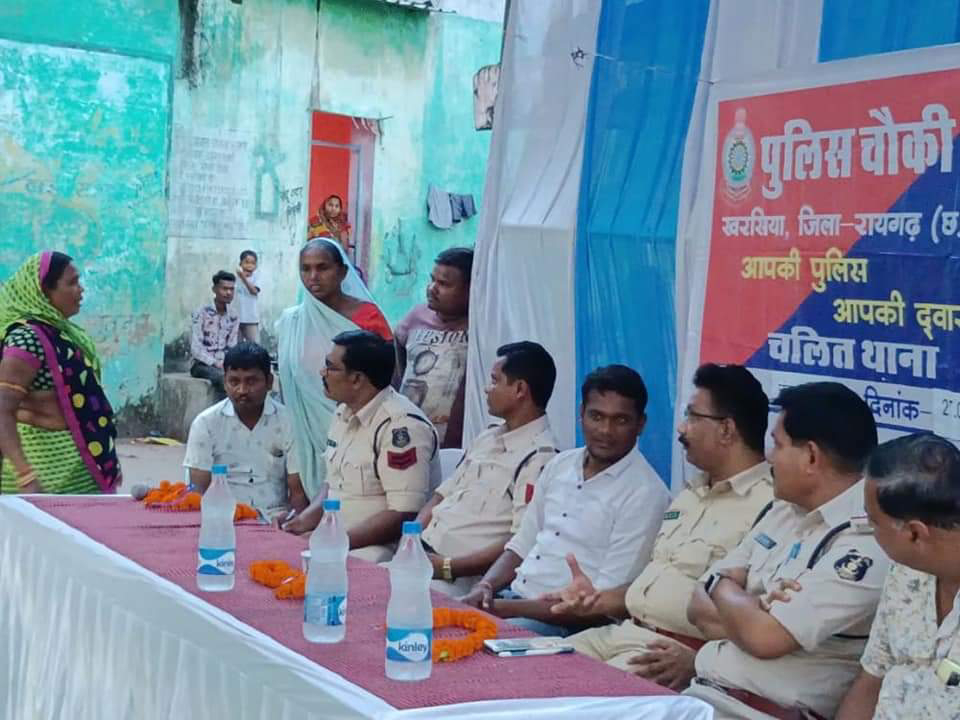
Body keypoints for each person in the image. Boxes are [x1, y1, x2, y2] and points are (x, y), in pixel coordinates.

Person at [552, 363, 773, 689]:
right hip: (621, 633)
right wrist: (593, 600)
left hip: (670, 653)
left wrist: (701, 660)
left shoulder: (770, 507)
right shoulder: (692, 492)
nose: (682, 429)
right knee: (523, 666)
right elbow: (658, 587)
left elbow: (767, 621)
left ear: (726, 429)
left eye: (692, 417)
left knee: (568, 696)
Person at [685, 381, 888, 720]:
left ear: (811, 457)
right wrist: (749, 611)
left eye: (777, 445)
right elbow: (696, 608)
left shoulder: (867, 540)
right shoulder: (783, 510)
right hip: (703, 696)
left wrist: (723, 586)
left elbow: (765, 638)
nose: (769, 457)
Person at [461, 365, 671, 636]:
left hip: (568, 626)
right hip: (512, 599)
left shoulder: (646, 494)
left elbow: (601, 606)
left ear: (640, 424)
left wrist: (502, 609)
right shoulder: (560, 465)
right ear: (581, 414)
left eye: (620, 420)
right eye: (596, 416)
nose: (605, 430)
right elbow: (522, 544)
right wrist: (485, 587)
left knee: (468, 648)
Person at [279, 330, 438, 562]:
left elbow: (404, 513)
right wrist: (300, 523)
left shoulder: (401, 426)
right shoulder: (344, 412)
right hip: (335, 538)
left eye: (331, 367)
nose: (322, 373)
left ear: (356, 379)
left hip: (380, 548)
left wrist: (332, 541)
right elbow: (333, 486)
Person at [417, 341, 559, 596]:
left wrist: (448, 567)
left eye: (494, 381)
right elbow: (441, 495)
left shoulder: (541, 459)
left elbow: (520, 541)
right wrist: (411, 538)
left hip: (462, 577)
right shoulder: (487, 437)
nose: (487, 389)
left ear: (520, 389)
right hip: (423, 556)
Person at [835, 433, 960, 720]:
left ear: (915, 533)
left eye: (874, 522)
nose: (869, 530)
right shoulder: (906, 571)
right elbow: (872, 677)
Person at [275, 238, 391, 499]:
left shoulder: (367, 317)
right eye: (305, 268)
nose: (313, 277)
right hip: (304, 428)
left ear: (342, 272)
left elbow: (385, 377)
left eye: (322, 268)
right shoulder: (292, 321)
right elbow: (289, 382)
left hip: (357, 424)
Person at [0, 251, 121, 494]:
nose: (81, 290)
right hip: (46, 470)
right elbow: (3, 410)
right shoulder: (27, 340)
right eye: (72, 283)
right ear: (45, 291)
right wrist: (26, 475)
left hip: (78, 468)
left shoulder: (62, 332)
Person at [183, 342, 307, 516]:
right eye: (234, 381)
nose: (242, 390)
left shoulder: (288, 422)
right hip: (223, 518)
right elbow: (198, 492)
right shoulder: (205, 424)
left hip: (275, 518)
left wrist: (294, 523)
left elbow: (298, 493)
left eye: (251, 381)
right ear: (224, 382)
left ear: (269, 382)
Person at [395, 247, 472, 449]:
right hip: (407, 435)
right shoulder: (415, 317)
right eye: (432, 280)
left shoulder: (482, 328)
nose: (432, 288)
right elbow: (399, 366)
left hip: (456, 442)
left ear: (471, 289)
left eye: (444, 284)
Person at [190, 270, 239, 396]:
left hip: (224, 364)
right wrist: (215, 363)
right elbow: (196, 349)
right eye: (224, 289)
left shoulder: (233, 316)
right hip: (202, 364)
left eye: (231, 289)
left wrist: (227, 363)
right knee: (224, 379)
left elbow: (232, 346)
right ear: (214, 289)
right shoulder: (201, 313)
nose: (229, 293)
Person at [233, 250, 262, 343]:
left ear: (256, 266)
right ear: (240, 264)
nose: (249, 265)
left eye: (253, 263)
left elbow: (254, 291)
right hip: (236, 319)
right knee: (236, 347)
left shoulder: (257, 277)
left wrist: (243, 278)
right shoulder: (235, 278)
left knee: (254, 346)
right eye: (246, 262)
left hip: (251, 319)